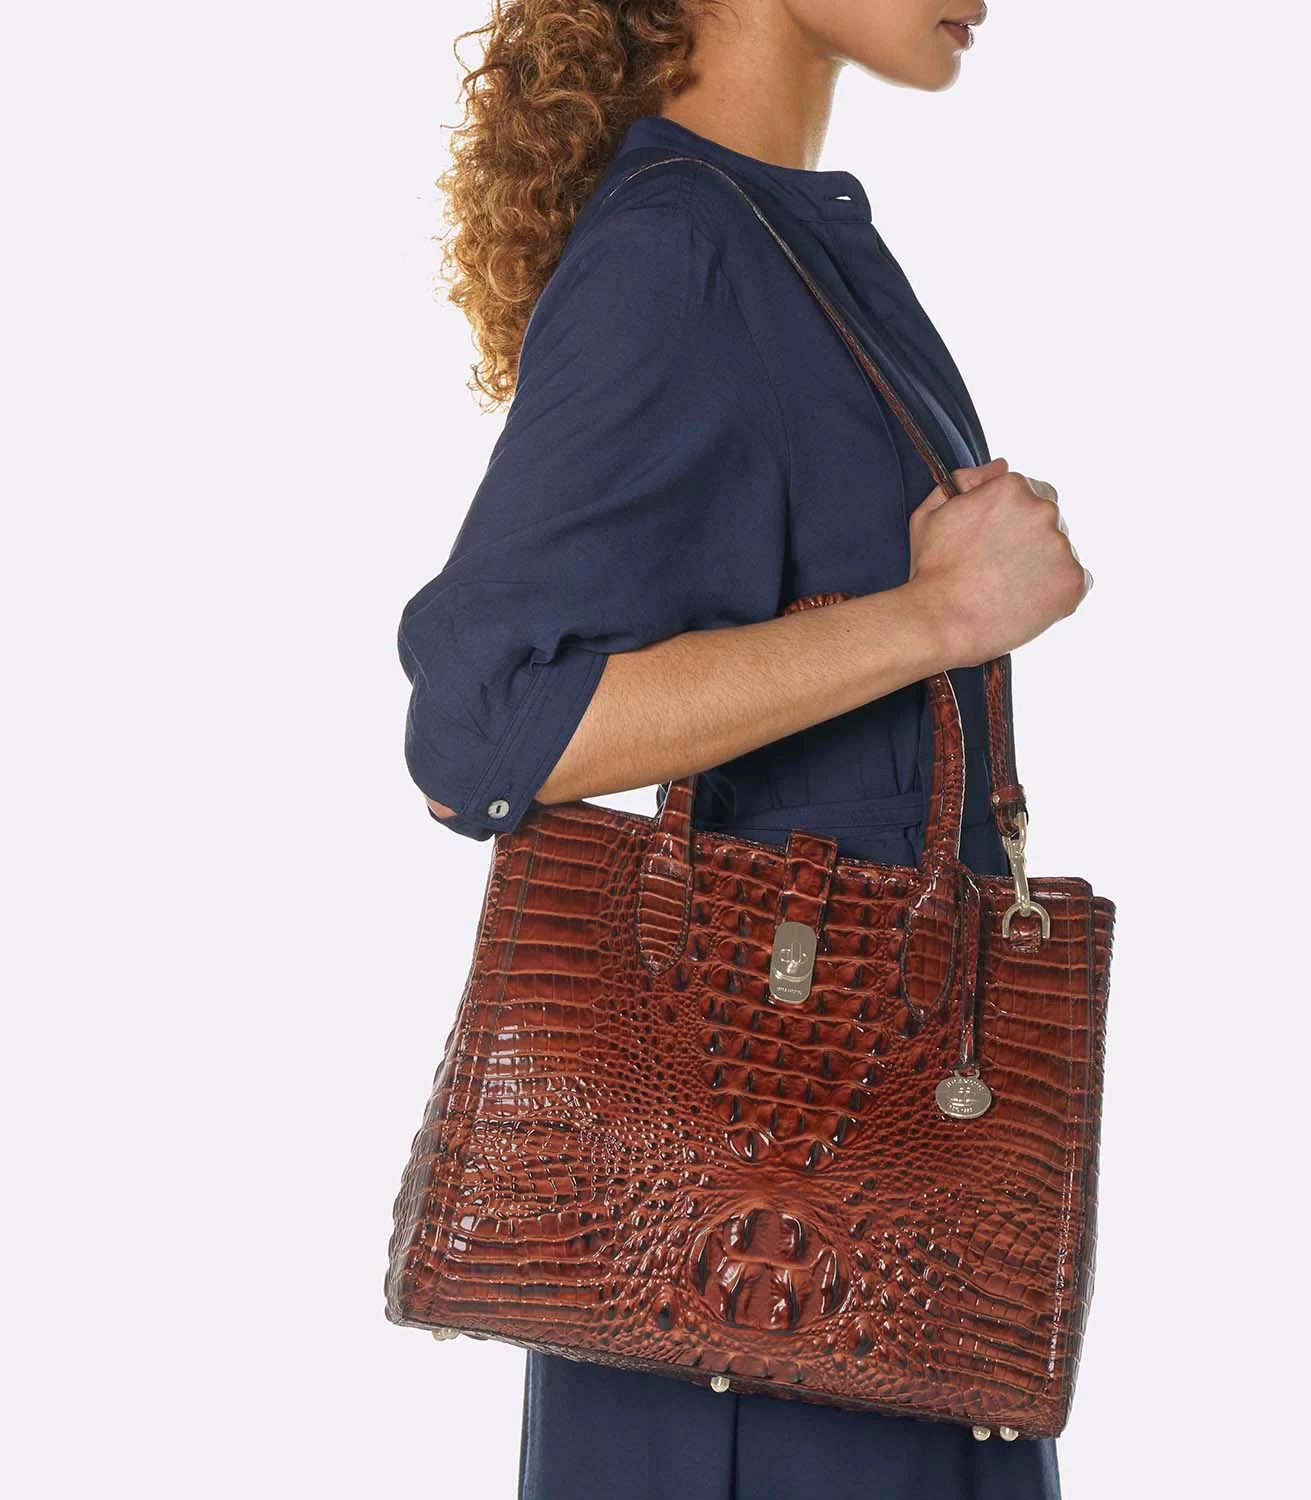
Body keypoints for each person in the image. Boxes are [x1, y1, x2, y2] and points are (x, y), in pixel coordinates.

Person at [396, 3, 1092, 1496]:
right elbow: (481, 731)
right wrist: (936, 618)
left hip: (876, 1208)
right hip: (763, 1239)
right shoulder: (684, 250)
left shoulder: (778, 244)